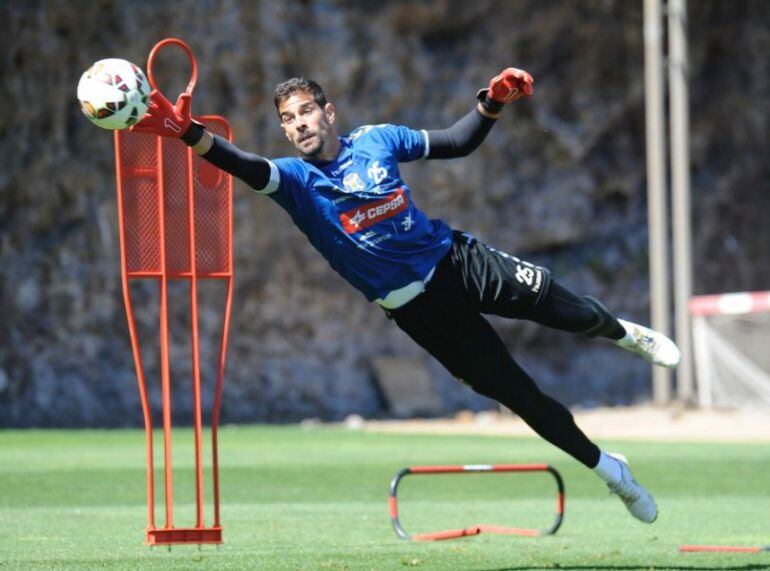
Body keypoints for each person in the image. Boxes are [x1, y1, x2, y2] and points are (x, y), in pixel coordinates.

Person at [132, 67, 681, 524]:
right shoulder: (296, 182)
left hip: (456, 261)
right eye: (287, 120)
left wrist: (491, 101)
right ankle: (612, 471)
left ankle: (625, 334)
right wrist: (190, 134)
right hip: (419, 311)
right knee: (521, 395)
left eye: (305, 112)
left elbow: (458, 141)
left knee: (561, 306)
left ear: (329, 113)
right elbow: (243, 165)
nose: (298, 125)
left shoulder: (378, 140)